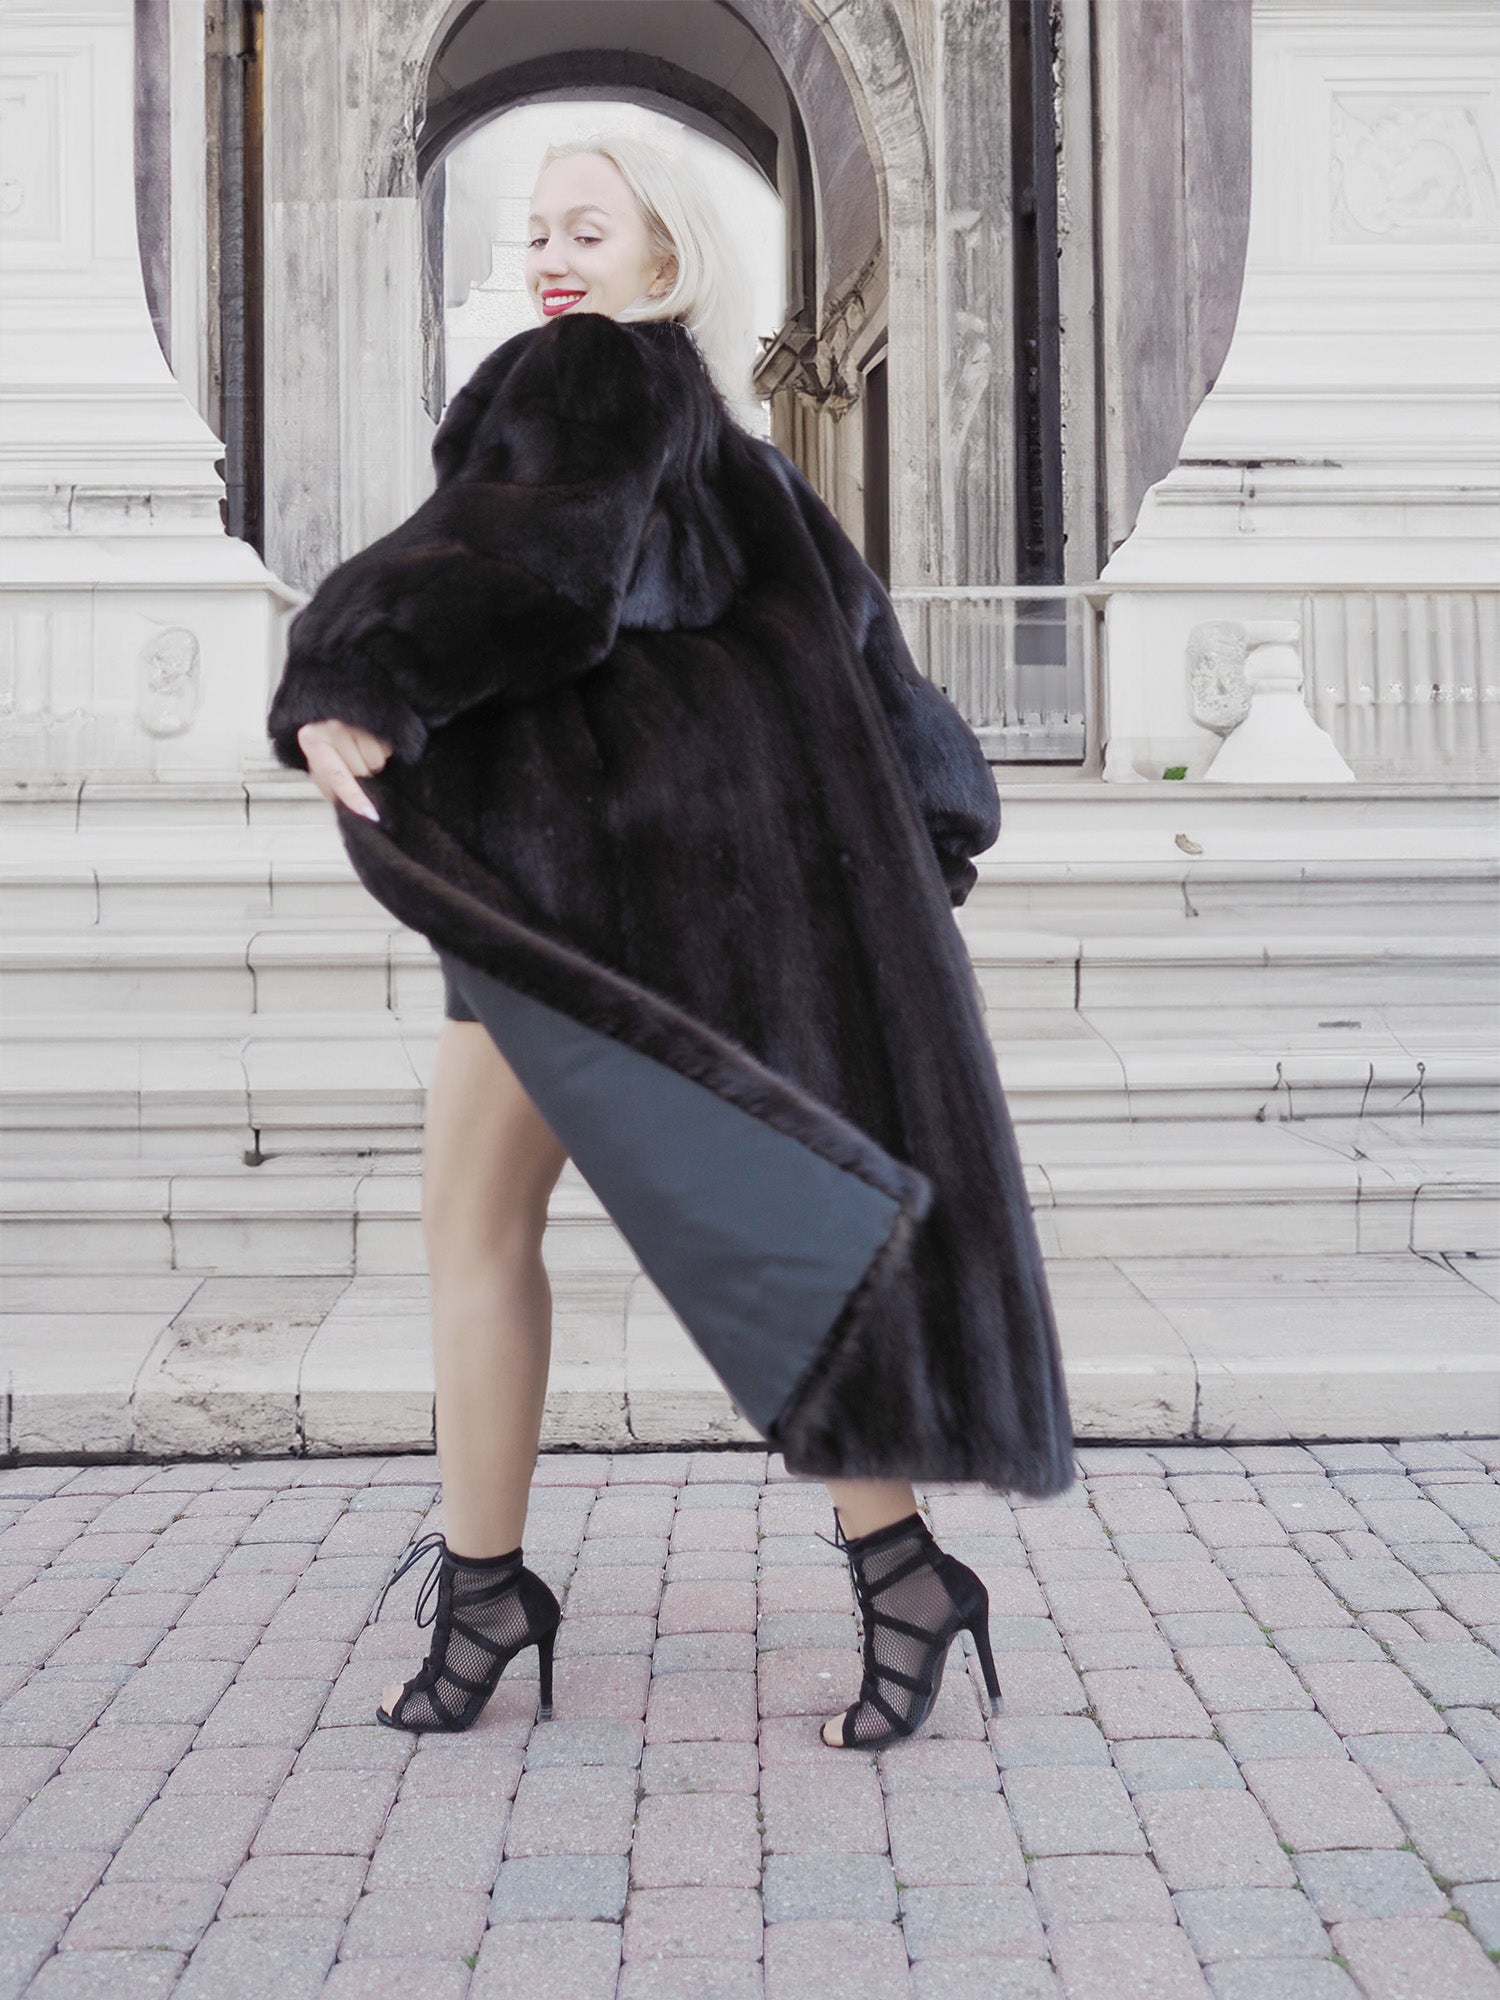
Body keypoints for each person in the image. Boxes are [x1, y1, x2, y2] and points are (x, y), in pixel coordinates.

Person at [266, 135, 1074, 1752]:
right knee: (770, 1224)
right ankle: (896, 1569)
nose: (555, 254)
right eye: (536, 228)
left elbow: (525, 567)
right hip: (703, 905)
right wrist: (921, 835)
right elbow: (862, 649)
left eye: (590, 226)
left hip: (575, 897)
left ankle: (497, 1594)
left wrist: (350, 667)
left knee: (489, 1234)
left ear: (661, 257)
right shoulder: (738, 453)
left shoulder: (578, 381)